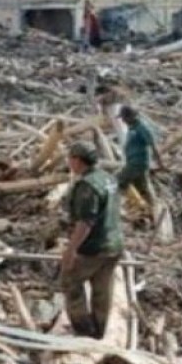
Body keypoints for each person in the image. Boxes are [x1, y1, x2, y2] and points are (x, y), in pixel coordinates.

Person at [60, 143, 124, 339]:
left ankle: (82, 330)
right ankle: (100, 329)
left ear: (78, 160)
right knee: (102, 289)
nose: (69, 162)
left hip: (93, 247)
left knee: (70, 281)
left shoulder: (87, 186)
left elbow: (86, 222)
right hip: (113, 244)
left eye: (70, 158)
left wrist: (71, 251)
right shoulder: (108, 179)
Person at [118, 105, 167, 208]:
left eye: (123, 118)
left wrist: (160, 163)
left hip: (138, 163)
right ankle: (146, 209)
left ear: (130, 117)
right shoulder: (132, 127)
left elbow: (153, 145)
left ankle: (151, 207)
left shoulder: (142, 128)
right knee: (141, 189)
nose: (122, 121)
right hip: (133, 162)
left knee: (119, 181)